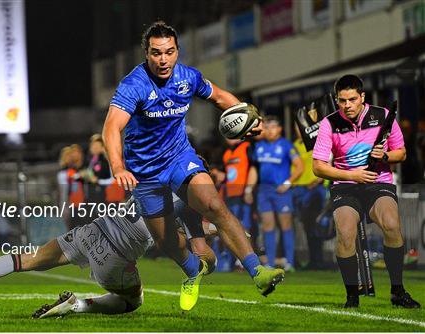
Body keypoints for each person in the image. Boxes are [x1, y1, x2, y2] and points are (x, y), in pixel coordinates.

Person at [102, 21, 284, 310]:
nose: (163, 59)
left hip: (179, 158)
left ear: (177, 52)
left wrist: (247, 118)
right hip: (144, 172)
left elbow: (221, 97)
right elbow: (112, 128)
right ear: (146, 54)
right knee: (167, 243)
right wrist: (117, 167)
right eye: (156, 53)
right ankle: (191, 270)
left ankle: (258, 271)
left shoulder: (188, 77)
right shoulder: (133, 85)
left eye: (169, 52)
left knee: (214, 205)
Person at [0, 196, 216, 317]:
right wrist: (216, 229)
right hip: (113, 255)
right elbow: (181, 243)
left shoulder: (154, 178)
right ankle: (75, 305)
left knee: (27, 259)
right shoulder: (184, 203)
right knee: (133, 301)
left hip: (91, 231)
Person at [312, 74, 420, 308]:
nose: (347, 106)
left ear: (362, 97)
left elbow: (401, 153)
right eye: (342, 101)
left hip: (378, 181)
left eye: (352, 99)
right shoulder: (329, 123)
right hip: (346, 186)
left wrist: (385, 156)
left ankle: (397, 291)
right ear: (336, 100)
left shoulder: (382, 116)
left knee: (392, 224)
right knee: (345, 232)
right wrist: (352, 175)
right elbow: (318, 167)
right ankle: (352, 295)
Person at [249, 116, 303, 271]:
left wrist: (287, 183)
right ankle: (270, 263)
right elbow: (254, 169)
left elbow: (299, 166)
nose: (269, 130)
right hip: (264, 191)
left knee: (285, 225)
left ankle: (290, 262)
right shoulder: (259, 146)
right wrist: (248, 189)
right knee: (267, 226)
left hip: (281, 191)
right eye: (266, 127)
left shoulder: (287, 146)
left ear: (279, 129)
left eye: (272, 127)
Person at [215, 138, 257, 271]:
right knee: (232, 226)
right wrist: (218, 173)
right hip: (230, 195)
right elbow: (226, 173)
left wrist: (249, 189)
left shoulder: (247, 147)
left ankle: (244, 260)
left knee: (246, 227)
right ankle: (232, 259)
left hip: (244, 194)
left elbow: (254, 169)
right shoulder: (227, 153)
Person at [292, 125, 327, 269]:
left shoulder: (318, 143)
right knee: (306, 226)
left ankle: (318, 259)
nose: (299, 131)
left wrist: (318, 180)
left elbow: (325, 162)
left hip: (315, 189)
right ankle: (313, 260)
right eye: (297, 128)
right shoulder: (294, 145)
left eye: (302, 128)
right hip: (300, 189)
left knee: (315, 225)